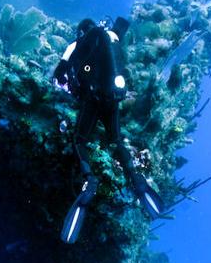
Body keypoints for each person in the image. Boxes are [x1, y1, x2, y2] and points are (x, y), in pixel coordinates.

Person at [53, 16, 164, 244]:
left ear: (80, 32)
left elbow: (59, 75)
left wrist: (66, 84)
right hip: (113, 100)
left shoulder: (77, 45)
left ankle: (89, 181)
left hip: (93, 99)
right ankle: (137, 180)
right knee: (116, 141)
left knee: (80, 140)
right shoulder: (113, 40)